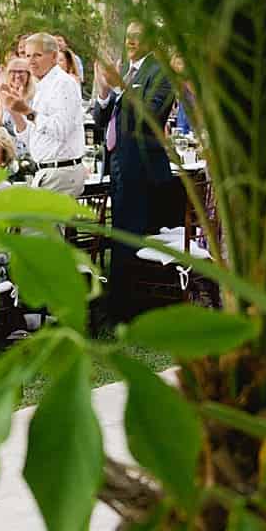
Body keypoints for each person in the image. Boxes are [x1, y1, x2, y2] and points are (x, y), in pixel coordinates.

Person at [96, 21, 179, 324]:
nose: (130, 42)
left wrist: (120, 86)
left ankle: (129, 311)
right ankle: (115, 306)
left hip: (142, 169)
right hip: (118, 166)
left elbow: (150, 115)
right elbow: (104, 119)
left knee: (131, 239)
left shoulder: (160, 72)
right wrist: (105, 94)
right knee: (119, 237)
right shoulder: (128, 72)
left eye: (138, 37)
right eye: (128, 36)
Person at [12, 32, 89, 198]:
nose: (30, 61)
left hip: (61, 173)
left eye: (37, 55)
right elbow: (32, 139)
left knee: (32, 225)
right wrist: (15, 109)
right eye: (27, 55)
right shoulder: (41, 85)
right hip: (46, 173)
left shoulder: (63, 84)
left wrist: (27, 111)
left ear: (54, 56)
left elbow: (60, 129)